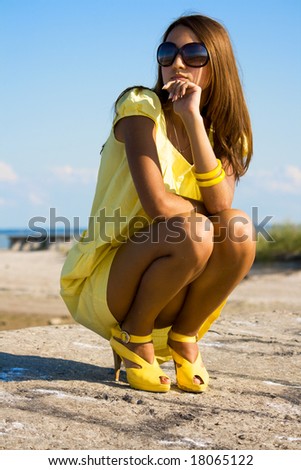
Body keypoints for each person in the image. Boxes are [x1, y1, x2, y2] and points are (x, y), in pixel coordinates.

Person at [60, 14, 256, 393]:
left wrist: (193, 119)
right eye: (167, 53)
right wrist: (205, 217)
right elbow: (158, 207)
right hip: (112, 278)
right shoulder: (140, 107)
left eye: (193, 54)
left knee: (240, 230)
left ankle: (185, 336)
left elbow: (222, 203)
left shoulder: (229, 132)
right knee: (198, 229)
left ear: (218, 64)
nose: (176, 64)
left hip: (175, 287)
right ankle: (133, 336)